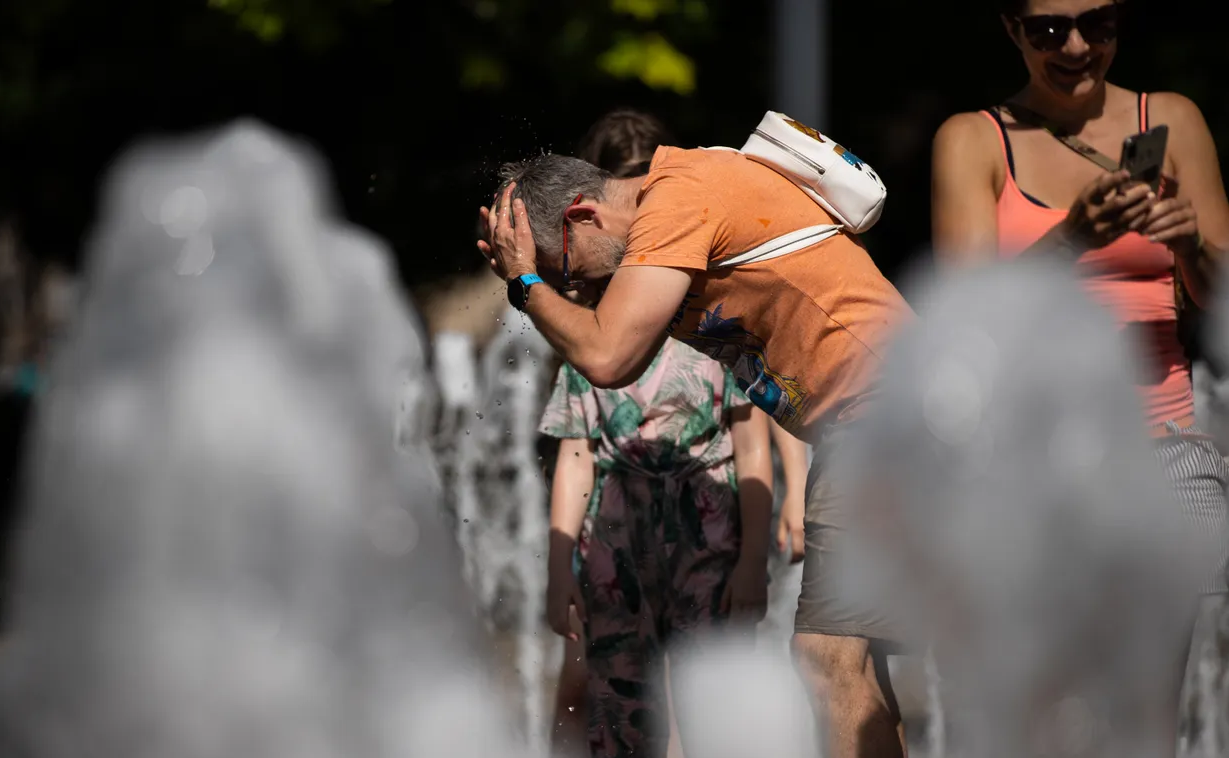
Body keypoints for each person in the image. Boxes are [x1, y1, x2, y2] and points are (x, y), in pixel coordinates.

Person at [477, 128, 915, 756]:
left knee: (825, 659)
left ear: (583, 213)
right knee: (861, 667)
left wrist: (525, 284)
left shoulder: (676, 199)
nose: (569, 294)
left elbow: (605, 355)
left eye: (564, 273)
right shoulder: (677, 200)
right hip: (885, 419)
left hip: (884, 416)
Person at [929, 0, 1229, 751]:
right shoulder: (973, 139)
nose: (1074, 46)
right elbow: (965, 319)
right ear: (1008, 27)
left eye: (1097, 23)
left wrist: (1191, 244)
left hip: (1159, 446)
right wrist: (1069, 238)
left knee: (1145, 709)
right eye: (1047, 29)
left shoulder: (1173, 119)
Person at [542, 109, 809, 758]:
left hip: (708, 540)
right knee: (614, 706)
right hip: (616, 546)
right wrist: (557, 568)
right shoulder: (590, 328)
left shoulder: (710, 312)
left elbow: (760, 431)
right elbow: (575, 456)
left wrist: (757, 554)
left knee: (707, 699)